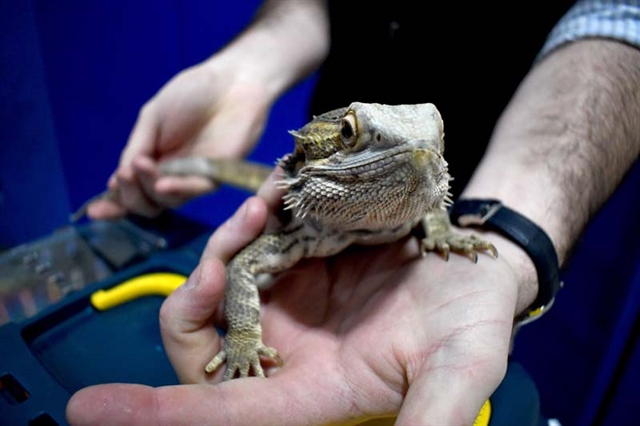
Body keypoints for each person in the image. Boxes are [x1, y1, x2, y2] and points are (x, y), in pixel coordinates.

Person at [70, 1, 640, 424]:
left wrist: (497, 234)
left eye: (430, 142)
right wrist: (244, 72)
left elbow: (622, 17)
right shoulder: (306, 222)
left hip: (503, 152)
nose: (420, 155)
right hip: (335, 185)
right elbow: (243, 268)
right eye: (348, 134)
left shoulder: (417, 199)